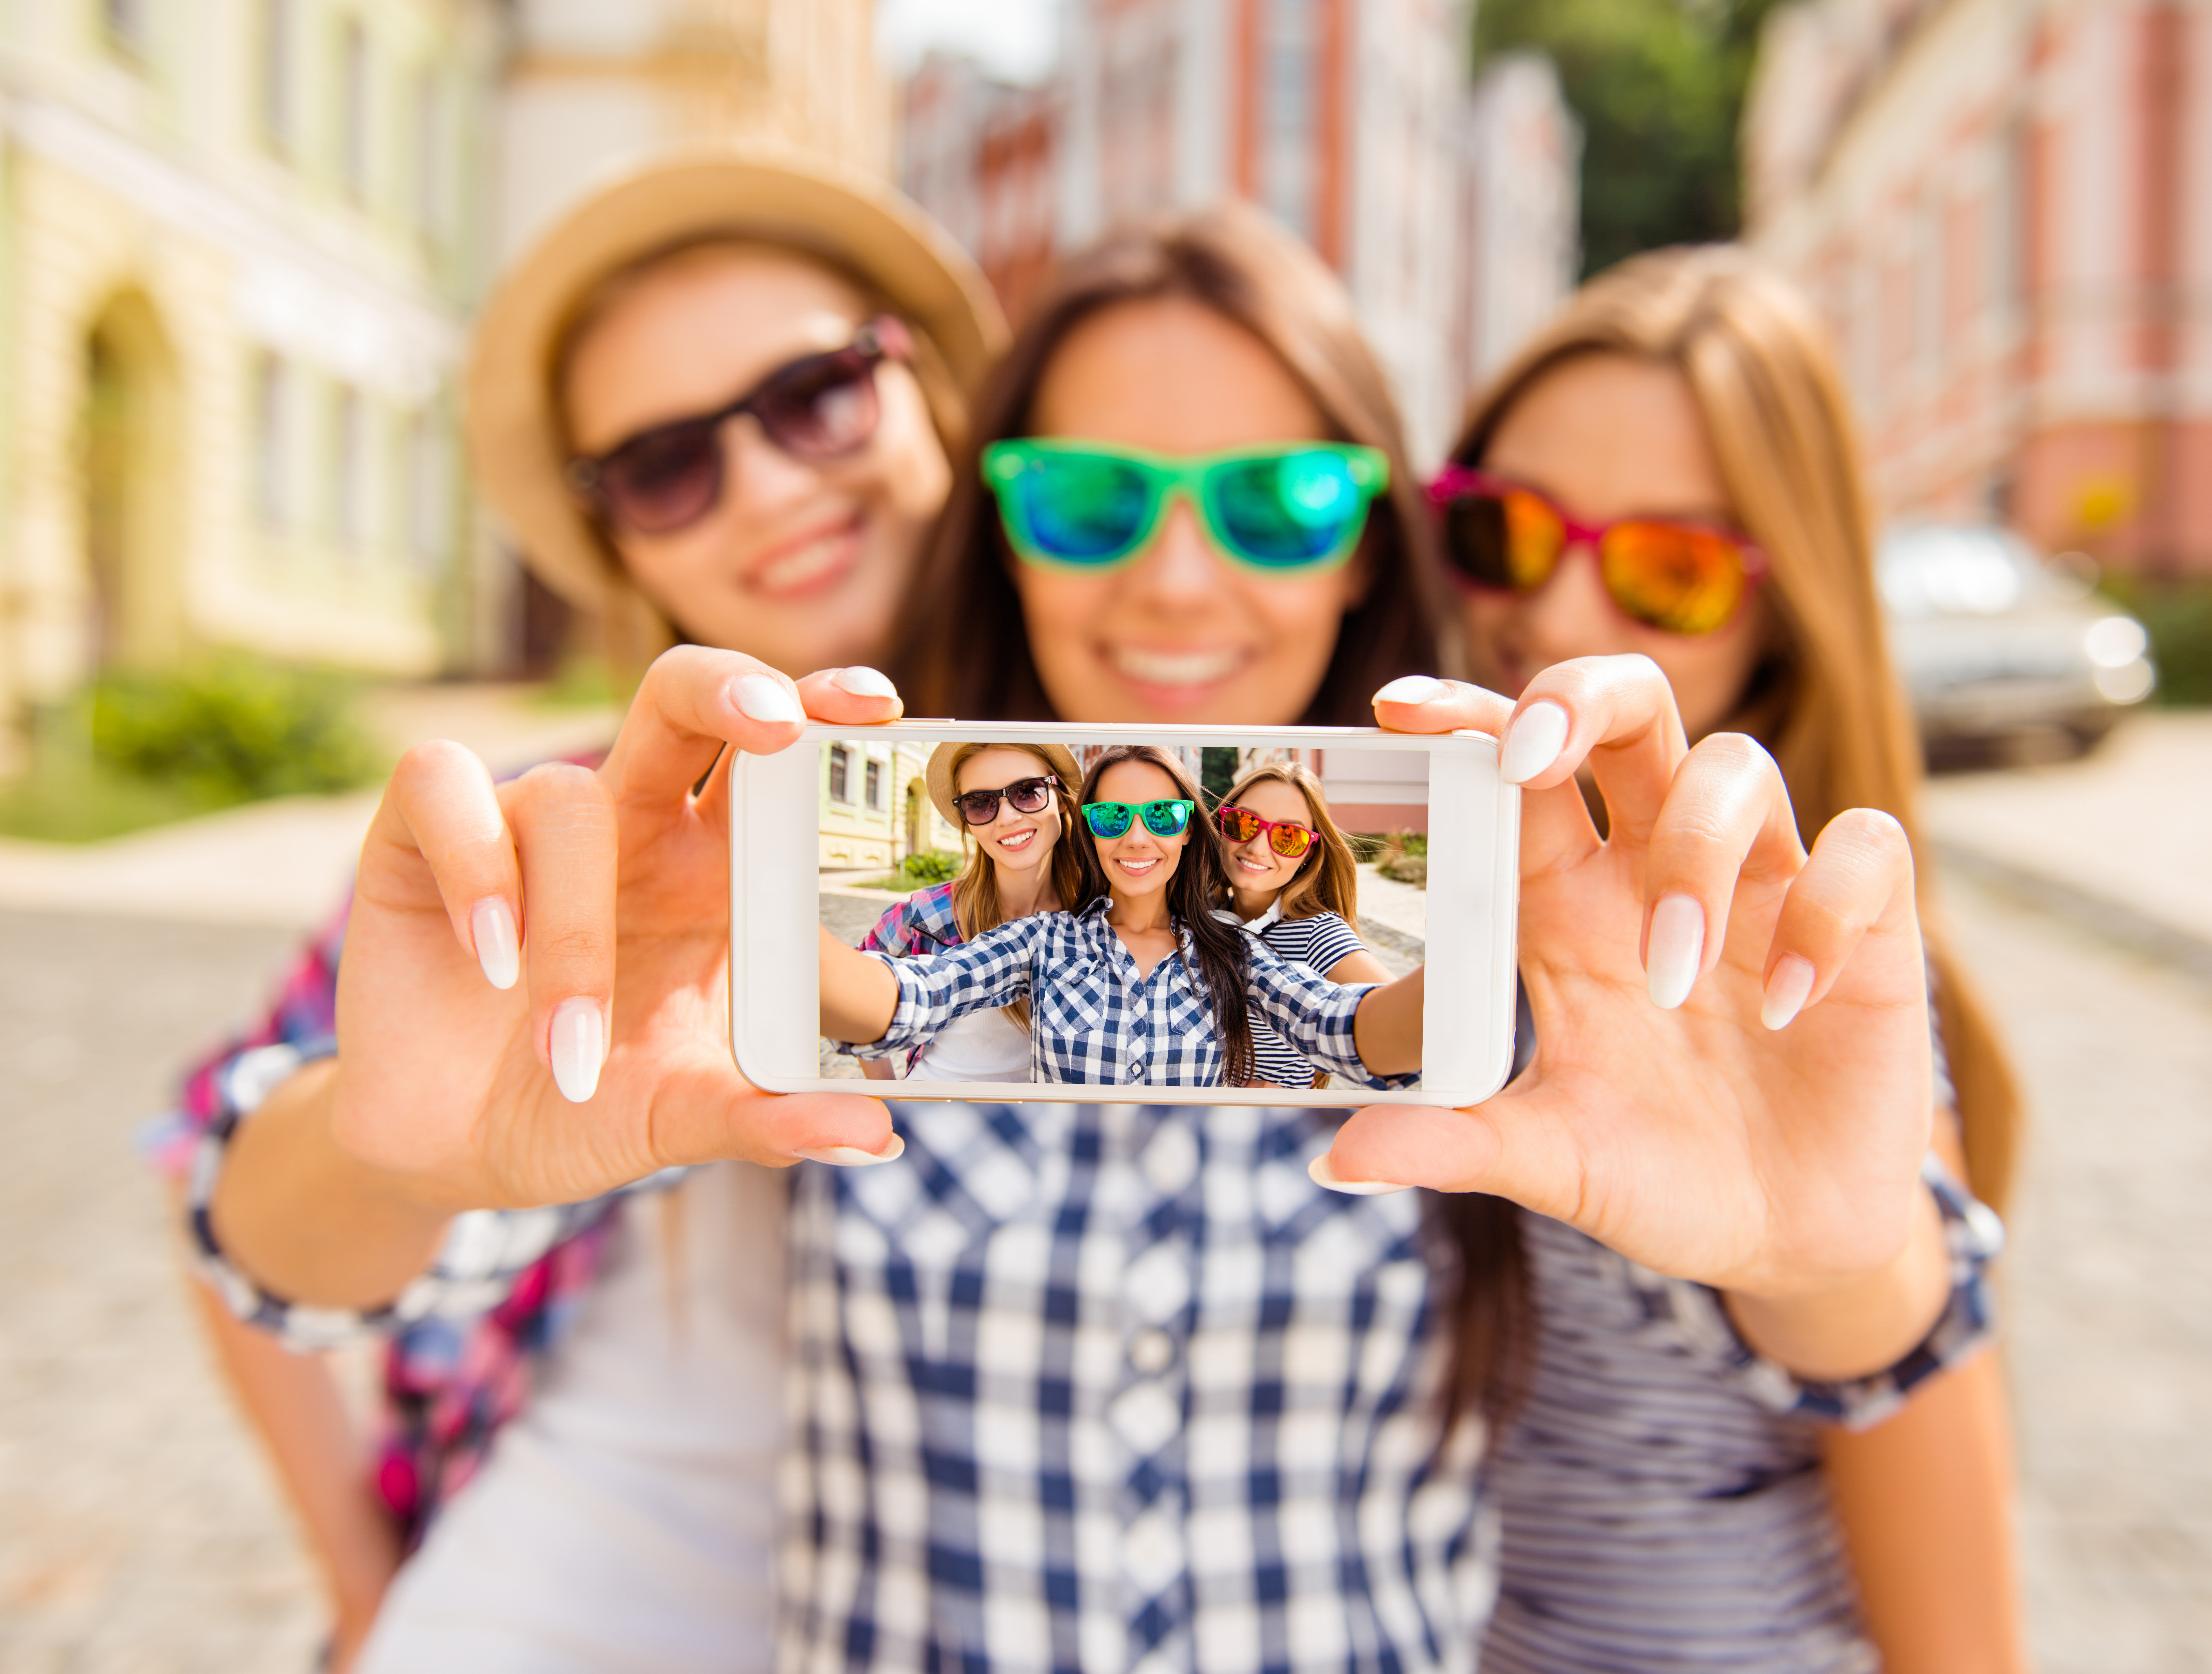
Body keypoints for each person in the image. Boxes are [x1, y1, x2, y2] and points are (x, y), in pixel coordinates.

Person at [187, 206, 1978, 1674]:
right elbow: (283, 1240)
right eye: (1090, 500)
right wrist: (402, 1142)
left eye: (1278, 501)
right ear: (1005, 528)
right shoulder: (819, 873)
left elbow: (1834, 1324)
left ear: (1369, 543)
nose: (1178, 579)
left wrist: (1838, 1249)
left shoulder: (1504, 927)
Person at [152, 140, 1003, 1673]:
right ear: (615, 532)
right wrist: (367, 1590)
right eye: (666, 464)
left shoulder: (1130, 803)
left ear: (926, 387)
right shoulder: (551, 839)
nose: (770, 487)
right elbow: (220, 1183)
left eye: (815, 393)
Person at [1410, 243, 2027, 1672]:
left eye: (1668, 571)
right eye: (1507, 530)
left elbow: (1958, 1630)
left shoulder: (1802, 980)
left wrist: (1839, 1263)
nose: (1558, 619)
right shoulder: (1398, 890)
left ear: (1784, 623)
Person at [822, 744, 1425, 1087]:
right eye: (1113, 817)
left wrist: (1472, 966)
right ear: (1088, 830)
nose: (1137, 837)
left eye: (1162, 815)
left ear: (1188, 829)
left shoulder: (1233, 951)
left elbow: (1343, 1024)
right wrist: (774, 926)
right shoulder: (1041, 940)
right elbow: (913, 995)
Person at [852, 740, 1085, 1082]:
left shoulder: (1094, 917)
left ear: (1061, 797)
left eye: (1027, 792)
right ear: (967, 821)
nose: (1008, 817)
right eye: (980, 803)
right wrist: (887, 1095)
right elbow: (851, 989)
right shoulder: (928, 915)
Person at [1212, 759, 1395, 1088]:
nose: (1257, 847)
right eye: (1243, 822)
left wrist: (1294, 1102)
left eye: (1288, 836)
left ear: (1308, 854)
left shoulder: (1317, 932)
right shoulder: (1207, 915)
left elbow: (1410, 1027)